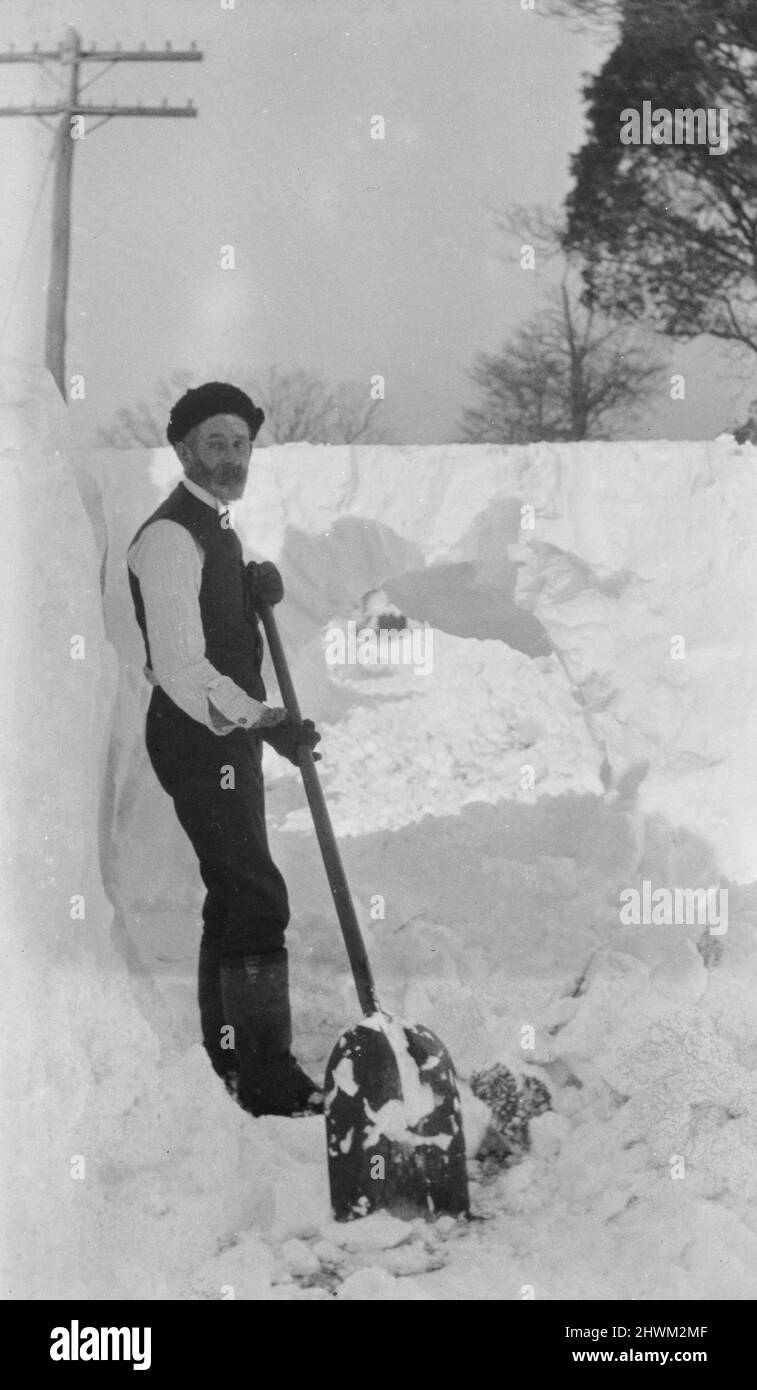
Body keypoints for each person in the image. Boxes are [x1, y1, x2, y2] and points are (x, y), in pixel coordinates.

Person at [127, 381, 323, 1117]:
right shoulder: (171, 535)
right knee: (255, 893)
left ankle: (230, 1056)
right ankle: (265, 1077)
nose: (231, 457)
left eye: (241, 444)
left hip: (220, 732)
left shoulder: (217, 529)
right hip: (194, 733)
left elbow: (218, 632)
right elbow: (180, 664)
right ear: (182, 449)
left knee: (234, 892)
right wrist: (264, 719)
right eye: (215, 443)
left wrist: (248, 592)